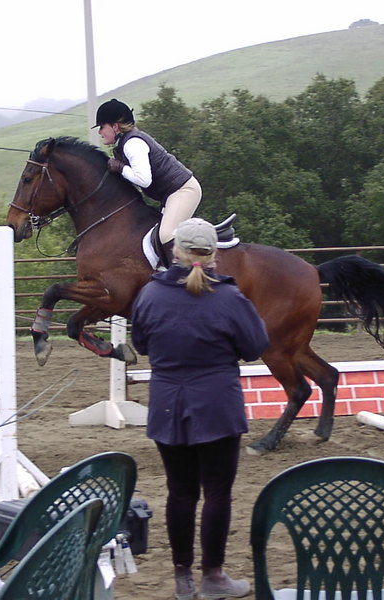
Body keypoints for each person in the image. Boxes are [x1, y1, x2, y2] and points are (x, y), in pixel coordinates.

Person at [131, 218, 269, 600]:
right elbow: (254, 347)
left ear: (176, 251)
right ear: (213, 254)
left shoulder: (150, 295)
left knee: (180, 493)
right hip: (217, 405)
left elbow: (141, 344)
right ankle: (213, 576)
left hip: (167, 404)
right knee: (218, 493)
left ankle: (182, 578)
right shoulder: (229, 298)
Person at [94, 98, 202, 268]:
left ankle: (186, 276)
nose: (100, 132)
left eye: (102, 127)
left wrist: (121, 168)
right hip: (172, 195)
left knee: (166, 235)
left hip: (184, 190)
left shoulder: (132, 143)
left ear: (115, 126)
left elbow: (144, 180)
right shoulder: (125, 143)